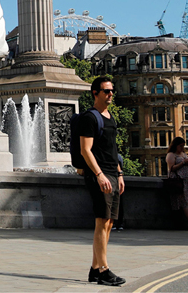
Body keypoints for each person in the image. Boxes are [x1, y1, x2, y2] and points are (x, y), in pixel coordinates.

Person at [80, 76, 125, 287]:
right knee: (101, 221)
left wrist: (120, 174)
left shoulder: (110, 117)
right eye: (106, 91)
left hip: (113, 174)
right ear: (95, 93)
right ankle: (104, 269)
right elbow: (85, 150)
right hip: (99, 175)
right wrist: (99, 175)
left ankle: (95, 269)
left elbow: (113, 151)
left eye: (112, 91)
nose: (110, 94)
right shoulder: (90, 117)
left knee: (109, 222)